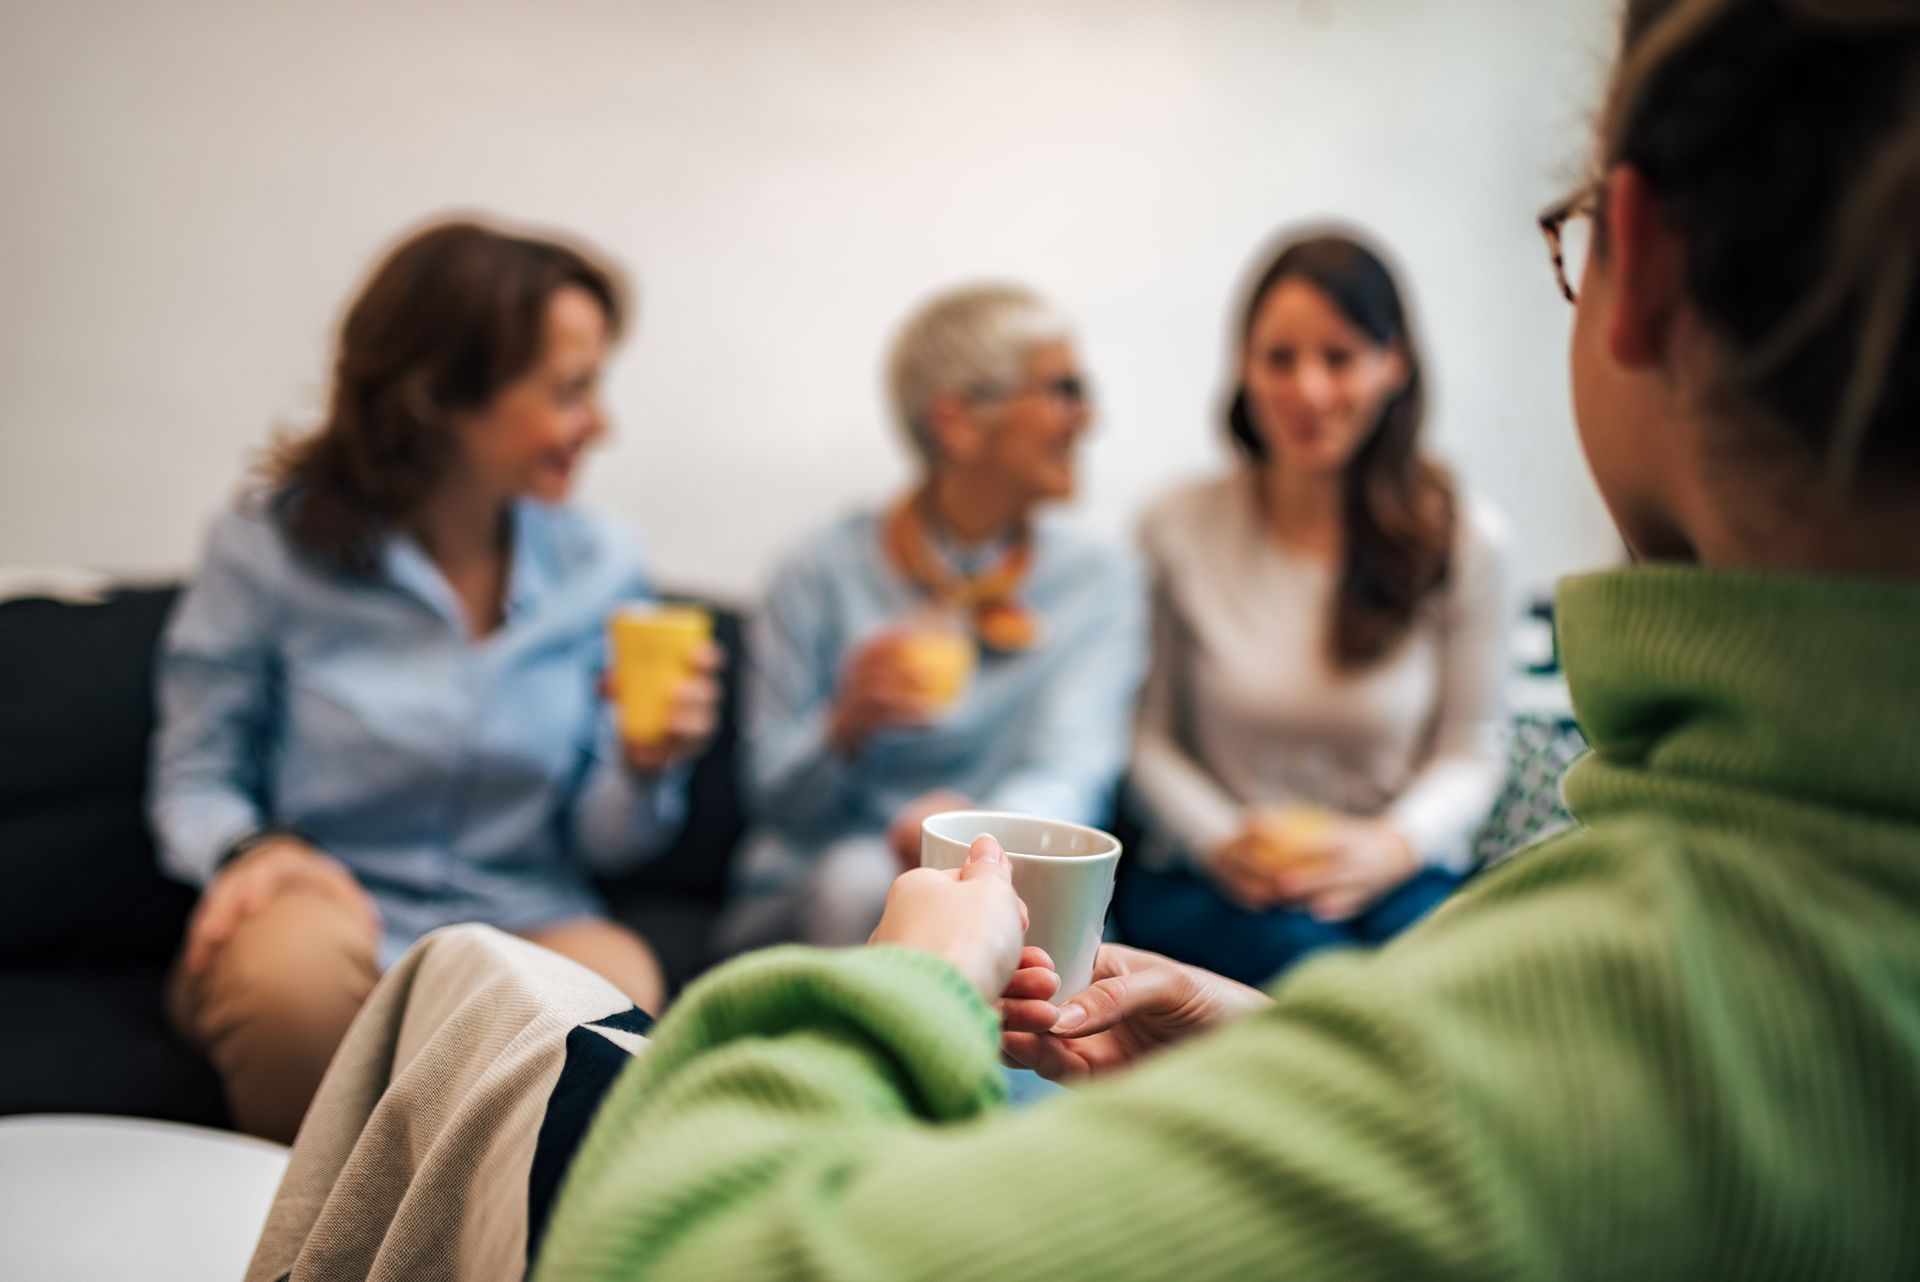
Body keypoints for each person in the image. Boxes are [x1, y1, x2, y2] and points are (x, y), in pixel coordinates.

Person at [150, 220, 719, 1143]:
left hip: (522, 917)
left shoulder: (600, 560)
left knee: (615, 984)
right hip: (330, 908)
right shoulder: (269, 544)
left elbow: (607, 844)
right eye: (571, 390)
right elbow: (194, 771)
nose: (601, 424)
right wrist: (250, 850)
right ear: (439, 395)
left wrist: (646, 764)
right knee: (289, 981)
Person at [1122, 231, 1513, 984]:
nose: (1308, 390)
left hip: (1395, 871)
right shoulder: (1173, 526)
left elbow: (1472, 750)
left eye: (1339, 357)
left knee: (1458, 985)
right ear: (1243, 365)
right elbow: (1148, 741)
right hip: (1210, 879)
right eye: (1279, 359)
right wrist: (1220, 840)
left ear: (1393, 365)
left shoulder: (1466, 538)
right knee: (1318, 978)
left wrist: (1391, 846)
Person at [716, 283, 1145, 952]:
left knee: (1055, 929)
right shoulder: (818, 570)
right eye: (1063, 389)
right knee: (858, 882)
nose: (1088, 417)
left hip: (1017, 878)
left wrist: (970, 840)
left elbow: (1073, 769)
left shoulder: (1095, 582)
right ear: (959, 422)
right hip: (821, 897)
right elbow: (771, 797)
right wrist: (844, 728)